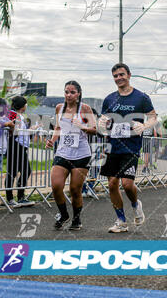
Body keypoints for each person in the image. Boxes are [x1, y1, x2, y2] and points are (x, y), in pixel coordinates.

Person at [98, 63, 157, 233]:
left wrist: (144, 126)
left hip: (131, 146)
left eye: (121, 74)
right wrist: (102, 124)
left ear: (129, 75)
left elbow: (153, 117)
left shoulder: (141, 97)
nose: (119, 78)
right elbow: (104, 121)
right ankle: (121, 221)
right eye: (115, 76)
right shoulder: (109, 99)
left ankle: (135, 204)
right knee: (112, 184)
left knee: (127, 184)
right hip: (113, 145)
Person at [46, 81, 96, 230]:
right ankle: (63, 214)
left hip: (81, 154)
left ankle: (76, 218)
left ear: (78, 94)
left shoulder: (85, 108)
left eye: (72, 92)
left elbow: (94, 129)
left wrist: (81, 126)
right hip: (63, 152)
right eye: (66, 92)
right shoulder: (59, 108)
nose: (69, 95)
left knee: (75, 189)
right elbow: (58, 127)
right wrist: (52, 140)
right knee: (56, 186)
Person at [5, 96, 35, 207]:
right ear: (22, 105)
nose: (26, 106)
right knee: (13, 172)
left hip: (20, 145)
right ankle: (11, 198)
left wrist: (29, 130)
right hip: (15, 144)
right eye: (26, 104)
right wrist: (28, 131)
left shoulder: (20, 116)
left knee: (24, 171)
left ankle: (20, 197)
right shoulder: (13, 114)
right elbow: (14, 130)